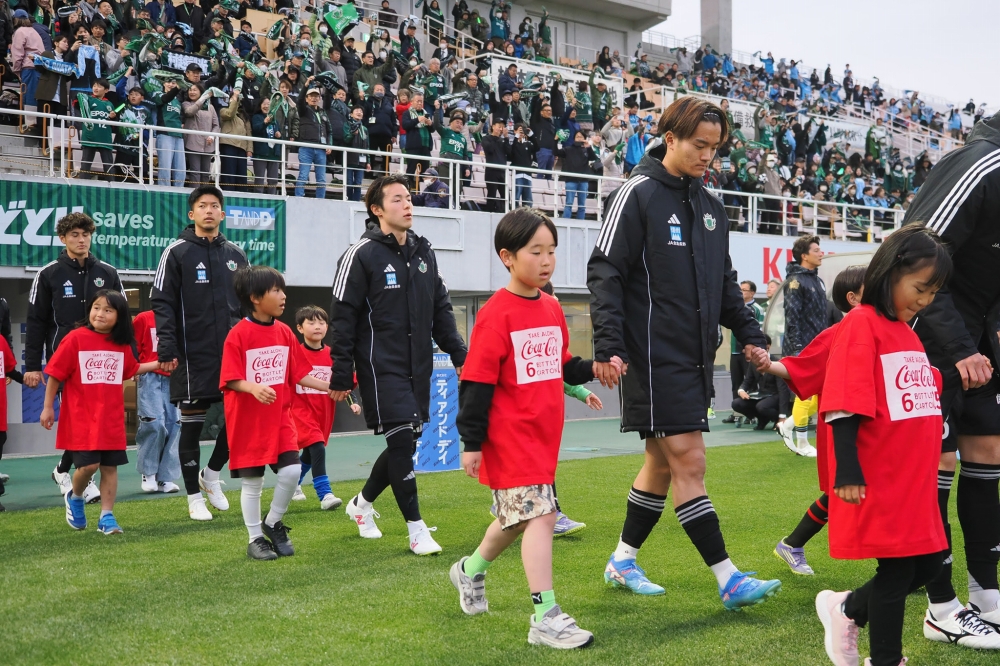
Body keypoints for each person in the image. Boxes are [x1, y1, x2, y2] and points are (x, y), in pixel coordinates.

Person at [588, 97, 780, 607]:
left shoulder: (712, 207)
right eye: (699, 145)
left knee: (660, 464)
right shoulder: (636, 194)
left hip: (696, 358)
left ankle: (622, 560)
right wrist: (608, 345)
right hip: (651, 357)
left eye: (715, 148)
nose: (707, 156)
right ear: (670, 138)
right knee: (690, 461)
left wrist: (752, 335)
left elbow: (723, 285)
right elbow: (605, 272)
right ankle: (728, 577)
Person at [754, 227, 953, 666]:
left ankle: (846, 609)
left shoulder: (906, 331)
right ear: (890, 273)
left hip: (912, 478)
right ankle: (885, 658)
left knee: (929, 564)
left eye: (933, 293)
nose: (925, 300)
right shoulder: (862, 323)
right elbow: (844, 399)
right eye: (920, 288)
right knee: (898, 569)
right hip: (881, 475)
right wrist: (847, 468)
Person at [452, 208, 602, 649]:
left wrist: (594, 368)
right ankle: (545, 617)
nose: (546, 260)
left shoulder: (552, 307)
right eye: (535, 251)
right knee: (542, 516)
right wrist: (471, 442)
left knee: (517, 519)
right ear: (508, 257)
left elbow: (562, 364)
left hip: (543, 437)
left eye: (551, 250)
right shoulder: (495, 315)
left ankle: (469, 570)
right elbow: (476, 383)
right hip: (508, 437)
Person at [330, 174, 467, 555]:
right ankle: (416, 530)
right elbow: (342, 317)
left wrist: (460, 355)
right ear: (377, 209)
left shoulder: (424, 252)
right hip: (379, 366)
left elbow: (441, 310)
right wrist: (341, 372)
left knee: (404, 443)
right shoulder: (360, 254)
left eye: (408, 198)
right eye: (397, 199)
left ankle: (361, 504)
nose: (407, 204)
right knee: (403, 441)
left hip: (418, 366)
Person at [906, 110, 1000, 644]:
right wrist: (960, 347)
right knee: (935, 467)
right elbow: (912, 253)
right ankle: (940, 609)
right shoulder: (980, 163)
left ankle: (987, 595)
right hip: (930, 346)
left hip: (981, 348)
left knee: (988, 454)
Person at [218, 267, 331, 560]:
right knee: (253, 483)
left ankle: (272, 522)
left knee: (292, 471)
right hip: (248, 422)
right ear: (255, 298)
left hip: (280, 418)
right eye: (276, 291)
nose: (283, 296)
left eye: (282, 290)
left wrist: (330, 387)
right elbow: (230, 378)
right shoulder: (238, 334)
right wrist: (253, 387)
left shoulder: (284, 332)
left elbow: (299, 373)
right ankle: (255, 539)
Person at [151, 185, 249, 521]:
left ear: (223, 213)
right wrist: (167, 347)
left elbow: (248, 306)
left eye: (215, 205)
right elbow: (161, 302)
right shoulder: (176, 252)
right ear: (192, 213)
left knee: (240, 421)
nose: (209, 210)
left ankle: (211, 474)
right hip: (192, 355)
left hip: (233, 355)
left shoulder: (237, 254)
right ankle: (194, 496)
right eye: (203, 206)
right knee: (191, 426)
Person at [764, 266, 868, 578]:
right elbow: (802, 366)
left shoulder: (890, 327)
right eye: (872, 285)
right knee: (849, 489)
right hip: (848, 426)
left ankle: (792, 544)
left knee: (862, 490)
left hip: (880, 426)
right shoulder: (836, 334)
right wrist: (768, 364)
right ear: (852, 298)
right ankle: (902, 567)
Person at [40, 290, 159, 534]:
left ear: (119, 316)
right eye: (96, 307)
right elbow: (55, 374)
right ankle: (75, 496)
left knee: (110, 468)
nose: (100, 314)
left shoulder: (121, 343)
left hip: (111, 419)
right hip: (81, 419)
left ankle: (107, 516)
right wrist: (47, 407)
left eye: (108, 310)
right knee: (89, 466)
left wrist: (159, 363)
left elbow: (131, 369)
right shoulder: (75, 338)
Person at [28, 212, 124, 503]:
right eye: (74, 235)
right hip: (66, 365)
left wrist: (128, 353)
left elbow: (122, 317)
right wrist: (32, 366)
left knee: (96, 420)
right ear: (63, 238)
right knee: (80, 421)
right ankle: (83, 477)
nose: (81, 240)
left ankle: (63, 470)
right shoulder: (49, 274)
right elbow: (36, 322)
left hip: (102, 364)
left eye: (85, 234)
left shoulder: (107, 272)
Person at [290, 305, 361, 506]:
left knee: (309, 453)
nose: (317, 326)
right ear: (300, 328)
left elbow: (345, 384)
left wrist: (353, 402)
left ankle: (292, 483)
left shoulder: (334, 355)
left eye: (322, 322)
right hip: (300, 413)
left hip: (324, 414)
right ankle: (325, 494)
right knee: (317, 447)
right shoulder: (294, 354)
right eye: (311, 322)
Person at [777, 235, 825, 457]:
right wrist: (797, 349)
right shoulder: (795, 282)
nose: (821, 253)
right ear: (804, 256)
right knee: (805, 396)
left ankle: (787, 425)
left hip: (818, 346)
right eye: (816, 250)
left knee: (819, 394)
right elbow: (792, 318)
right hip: (803, 347)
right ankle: (803, 443)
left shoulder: (817, 281)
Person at [132, 309, 181, 494]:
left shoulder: (181, 317)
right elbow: (133, 346)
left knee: (175, 424)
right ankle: (149, 472)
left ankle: (165, 477)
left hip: (175, 377)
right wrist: (134, 369)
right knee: (153, 423)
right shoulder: (144, 318)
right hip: (150, 375)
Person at [722, 280, 764, 424]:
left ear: (752, 293)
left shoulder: (757, 309)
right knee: (736, 383)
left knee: (750, 383)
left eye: (744, 290)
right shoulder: (735, 308)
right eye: (740, 289)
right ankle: (736, 414)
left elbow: (758, 330)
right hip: (734, 352)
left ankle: (750, 415)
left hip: (748, 352)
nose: (741, 292)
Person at [730, 334, 790, 431]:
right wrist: (741, 390)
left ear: (768, 347)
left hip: (776, 396)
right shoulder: (753, 363)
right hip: (761, 395)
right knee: (736, 403)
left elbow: (783, 391)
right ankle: (762, 418)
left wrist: (782, 416)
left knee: (762, 406)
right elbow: (747, 381)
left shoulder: (777, 362)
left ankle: (776, 419)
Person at [295, 85, 332, 198]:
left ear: (320, 99)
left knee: (321, 178)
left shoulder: (323, 112)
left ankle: (320, 201)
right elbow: (299, 100)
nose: (314, 98)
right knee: (303, 175)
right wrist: (305, 86)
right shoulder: (303, 110)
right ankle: (299, 198)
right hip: (306, 147)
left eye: (316, 96)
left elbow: (329, 131)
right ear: (306, 99)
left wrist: (329, 145)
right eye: (311, 96)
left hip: (321, 149)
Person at [181, 84, 219, 187]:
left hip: (208, 145)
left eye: (195, 90)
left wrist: (212, 136)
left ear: (201, 91)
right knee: (195, 172)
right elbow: (189, 112)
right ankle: (195, 193)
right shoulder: (186, 104)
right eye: (190, 90)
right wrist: (202, 99)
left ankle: (205, 194)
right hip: (192, 143)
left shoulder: (210, 107)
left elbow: (216, 125)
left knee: (205, 173)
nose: (192, 92)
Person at [554, 130, 596, 220]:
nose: (579, 138)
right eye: (577, 137)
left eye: (581, 137)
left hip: (583, 181)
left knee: (582, 205)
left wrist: (588, 147)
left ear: (584, 138)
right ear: (574, 139)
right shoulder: (568, 149)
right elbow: (555, 152)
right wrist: (556, 140)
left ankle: (581, 223)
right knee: (569, 203)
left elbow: (593, 158)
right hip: (571, 180)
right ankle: (565, 221)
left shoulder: (586, 149)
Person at [343, 105, 370, 202]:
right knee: (349, 183)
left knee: (358, 184)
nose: (359, 112)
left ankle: (356, 202)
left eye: (361, 111)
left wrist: (368, 161)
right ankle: (348, 202)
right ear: (351, 114)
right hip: (350, 159)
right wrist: (352, 134)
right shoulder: (347, 125)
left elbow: (367, 146)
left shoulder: (365, 129)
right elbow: (346, 140)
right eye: (357, 111)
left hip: (361, 161)